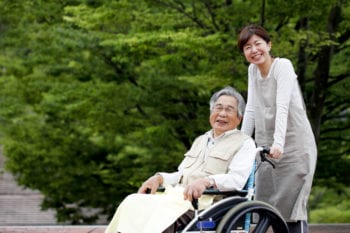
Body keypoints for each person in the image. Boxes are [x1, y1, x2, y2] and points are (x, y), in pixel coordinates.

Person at [104, 86, 256, 233]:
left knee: (162, 213)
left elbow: (237, 180)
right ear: (211, 112)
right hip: (179, 197)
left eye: (229, 110)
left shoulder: (245, 143)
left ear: (239, 118)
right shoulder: (201, 140)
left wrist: (207, 181)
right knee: (133, 201)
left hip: (208, 205)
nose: (222, 113)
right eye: (218, 108)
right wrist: (160, 177)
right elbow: (181, 174)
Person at [237, 24, 317, 233]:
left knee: (293, 208)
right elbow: (252, 108)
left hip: (293, 145)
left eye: (258, 44)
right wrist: (241, 145)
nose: (254, 50)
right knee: (266, 206)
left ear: (269, 44)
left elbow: (282, 106)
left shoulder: (283, 66)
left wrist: (279, 143)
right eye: (247, 47)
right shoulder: (252, 71)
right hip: (267, 147)